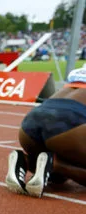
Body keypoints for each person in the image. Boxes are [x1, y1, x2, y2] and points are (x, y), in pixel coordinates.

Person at [5, 64, 86, 197]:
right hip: (70, 125)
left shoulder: (79, 73)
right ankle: (55, 163)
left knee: (59, 179)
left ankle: (25, 160)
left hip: (30, 124)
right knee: (67, 167)